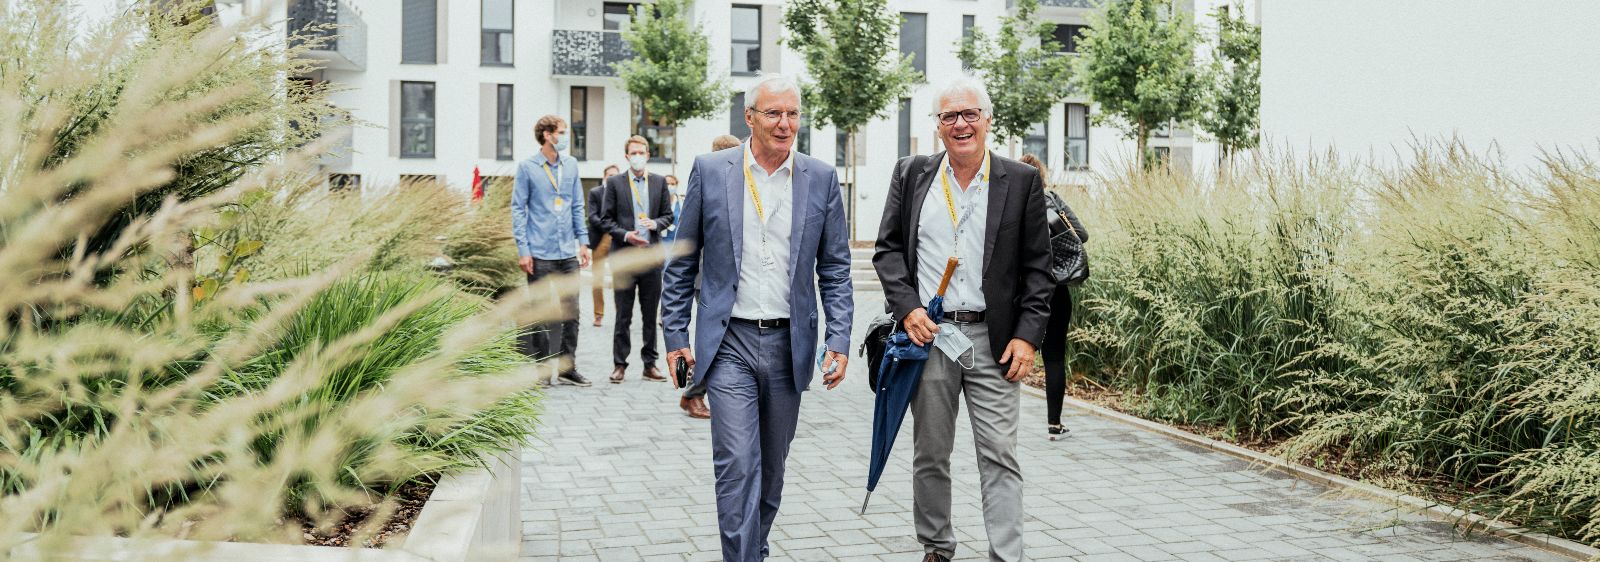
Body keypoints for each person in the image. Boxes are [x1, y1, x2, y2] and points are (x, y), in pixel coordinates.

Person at [661, 74, 853, 561]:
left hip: (790, 345)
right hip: (729, 343)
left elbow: (834, 267)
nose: (785, 123)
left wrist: (840, 338)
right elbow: (682, 260)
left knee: (771, 472)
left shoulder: (821, 178)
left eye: (792, 113)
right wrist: (675, 335)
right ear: (749, 118)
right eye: (773, 113)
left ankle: (754, 548)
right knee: (737, 464)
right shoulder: (711, 170)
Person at [872, 78, 1053, 562]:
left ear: (988, 119)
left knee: (999, 453)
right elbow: (888, 251)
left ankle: (1006, 555)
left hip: (994, 341)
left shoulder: (1020, 180)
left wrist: (1027, 337)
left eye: (970, 114)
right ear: (937, 126)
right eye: (949, 116)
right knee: (931, 452)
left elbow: (1040, 269)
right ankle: (936, 545)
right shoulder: (912, 175)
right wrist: (907, 307)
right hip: (930, 335)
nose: (960, 124)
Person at [512, 115, 594, 387]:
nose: (566, 136)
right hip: (539, 253)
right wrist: (523, 250)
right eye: (561, 132)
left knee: (572, 313)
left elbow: (576, 206)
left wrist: (583, 242)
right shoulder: (527, 167)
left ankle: (567, 367)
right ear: (547, 135)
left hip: (567, 253)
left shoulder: (570, 165)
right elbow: (518, 210)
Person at [1019, 153, 1088, 440]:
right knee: (1054, 357)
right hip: (1056, 289)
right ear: (1042, 176)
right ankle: (1054, 425)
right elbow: (1081, 235)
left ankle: (999, 423)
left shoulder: (1012, 205)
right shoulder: (1052, 199)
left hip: (1023, 290)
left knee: (1010, 350)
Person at [674, 134, 743, 420]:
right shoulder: (709, 184)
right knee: (713, 341)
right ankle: (693, 394)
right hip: (710, 281)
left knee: (718, 340)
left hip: (719, 280)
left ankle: (695, 393)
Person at [598, 136, 674, 384]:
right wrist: (626, 234)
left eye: (641, 152)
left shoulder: (659, 182)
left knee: (650, 314)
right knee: (623, 315)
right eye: (633, 152)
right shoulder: (616, 183)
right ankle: (619, 364)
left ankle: (650, 364)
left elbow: (668, 216)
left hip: (650, 258)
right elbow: (606, 220)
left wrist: (656, 224)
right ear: (627, 156)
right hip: (624, 257)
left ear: (648, 155)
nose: (638, 156)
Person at [588, 164, 621, 327]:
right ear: (604, 176)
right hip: (600, 237)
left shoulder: (622, 193)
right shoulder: (595, 192)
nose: (612, 177)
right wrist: (609, 227)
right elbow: (592, 216)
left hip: (617, 239)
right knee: (597, 279)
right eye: (610, 175)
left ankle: (620, 314)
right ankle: (598, 314)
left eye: (615, 175)